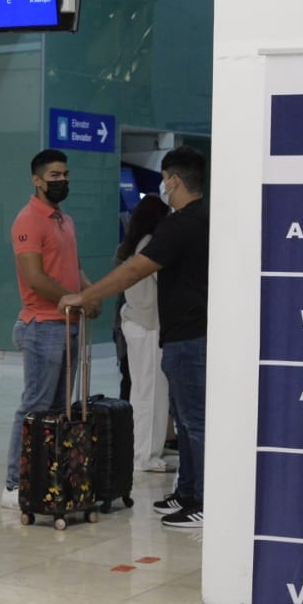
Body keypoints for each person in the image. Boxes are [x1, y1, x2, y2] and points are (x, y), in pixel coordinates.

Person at [60, 146, 208, 528]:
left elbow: (134, 271)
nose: (163, 186)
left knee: (193, 422)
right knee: (187, 418)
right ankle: (188, 491)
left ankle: (202, 500)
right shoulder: (208, 218)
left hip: (188, 336)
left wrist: (86, 294)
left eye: (164, 180)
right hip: (188, 333)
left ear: (173, 180)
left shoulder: (181, 223)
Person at [1, 149, 100, 510]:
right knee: (35, 407)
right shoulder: (28, 220)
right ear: (37, 180)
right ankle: (15, 484)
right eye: (55, 175)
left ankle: (47, 478)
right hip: (42, 326)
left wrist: (90, 293)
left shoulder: (64, 219)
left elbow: (71, 266)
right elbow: (35, 278)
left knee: (60, 410)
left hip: (68, 325)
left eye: (66, 174)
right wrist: (77, 299)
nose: (62, 180)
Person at [116, 194, 173, 473]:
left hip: (135, 323)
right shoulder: (151, 245)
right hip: (149, 325)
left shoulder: (132, 245)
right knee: (152, 393)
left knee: (141, 391)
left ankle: (141, 450)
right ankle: (146, 456)